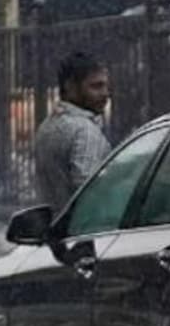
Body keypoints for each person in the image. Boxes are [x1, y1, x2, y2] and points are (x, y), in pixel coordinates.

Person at [33, 52, 112, 210]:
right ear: (70, 87)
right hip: (83, 230)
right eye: (96, 86)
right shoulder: (85, 132)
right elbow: (88, 193)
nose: (105, 94)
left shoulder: (47, 126)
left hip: (54, 228)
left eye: (106, 86)